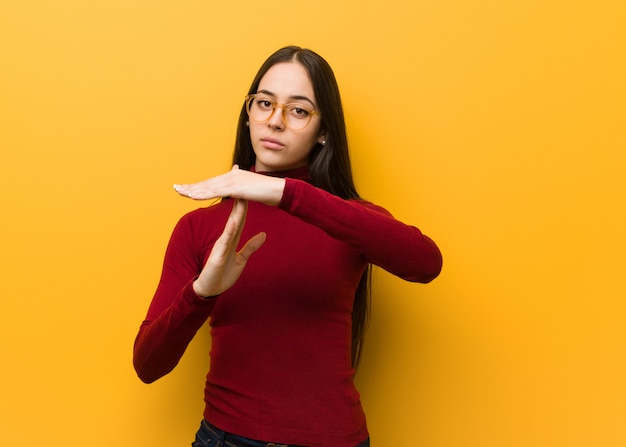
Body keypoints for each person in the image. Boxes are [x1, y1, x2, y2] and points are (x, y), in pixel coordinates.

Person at [133, 46, 443, 447]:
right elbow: (148, 364)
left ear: (324, 131)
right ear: (248, 116)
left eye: (298, 111)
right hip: (226, 438)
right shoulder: (199, 227)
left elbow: (425, 263)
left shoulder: (346, 218)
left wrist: (285, 192)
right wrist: (201, 293)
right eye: (264, 103)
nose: (274, 121)